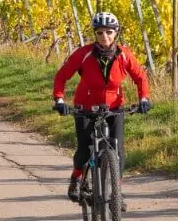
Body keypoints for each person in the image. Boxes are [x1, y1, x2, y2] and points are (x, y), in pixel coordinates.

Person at [52, 11, 152, 210]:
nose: (104, 37)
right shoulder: (83, 54)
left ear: (116, 33)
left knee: (119, 151)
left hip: (114, 107)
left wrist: (144, 98)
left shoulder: (124, 55)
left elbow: (140, 77)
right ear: (94, 35)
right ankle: (77, 177)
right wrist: (60, 100)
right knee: (85, 148)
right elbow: (61, 76)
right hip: (85, 107)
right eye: (99, 33)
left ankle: (117, 192)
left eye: (109, 32)